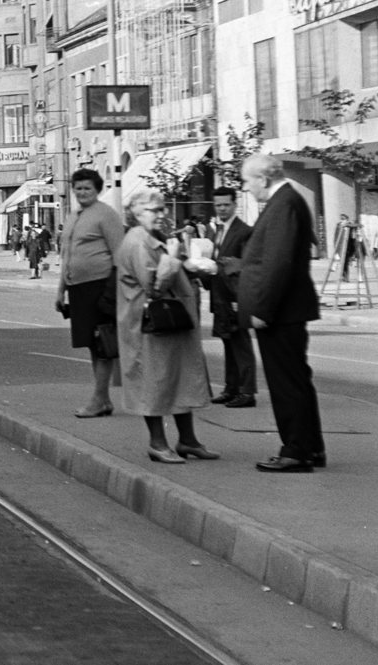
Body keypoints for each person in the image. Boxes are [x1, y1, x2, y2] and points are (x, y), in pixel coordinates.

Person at [238, 153, 325, 473]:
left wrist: (263, 308)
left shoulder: (283, 203)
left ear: (263, 178)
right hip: (287, 310)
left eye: (248, 182)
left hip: (280, 312)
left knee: (285, 382)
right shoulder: (288, 200)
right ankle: (309, 446)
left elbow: (278, 262)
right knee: (296, 380)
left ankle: (296, 450)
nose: (247, 189)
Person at [117, 188, 215, 463]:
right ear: (136, 214)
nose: (161, 214)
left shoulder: (153, 236)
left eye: (162, 209)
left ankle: (188, 440)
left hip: (170, 323)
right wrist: (172, 258)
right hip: (150, 325)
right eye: (154, 210)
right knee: (155, 383)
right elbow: (154, 287)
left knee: (178, 377)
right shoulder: (137, 242)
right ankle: (157, 444)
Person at [55, 168, 126, 418]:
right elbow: (67, 257)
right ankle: (103, 399)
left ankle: (99, 399)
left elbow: (120, 255)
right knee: (92, 345)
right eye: (78, 188)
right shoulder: (74, 216)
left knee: (102, 342)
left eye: (87, 188)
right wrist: (60, 291)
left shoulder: (107, 215)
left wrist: (112, 292)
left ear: (97, 190)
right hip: (78, 289)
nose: (82, 192)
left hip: (100, 287)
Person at [197, 187, 256, 407]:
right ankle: (231, 388)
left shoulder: (244, 231)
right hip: (219, 295)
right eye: (218, 205)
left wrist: (219, 267)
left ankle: (247, 391)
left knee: (241, 344)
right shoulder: (215, 231)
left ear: (234, 204)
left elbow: (247, 265)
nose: (222, 209)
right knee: (228, 342)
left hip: (236, 296)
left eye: (226, 205)